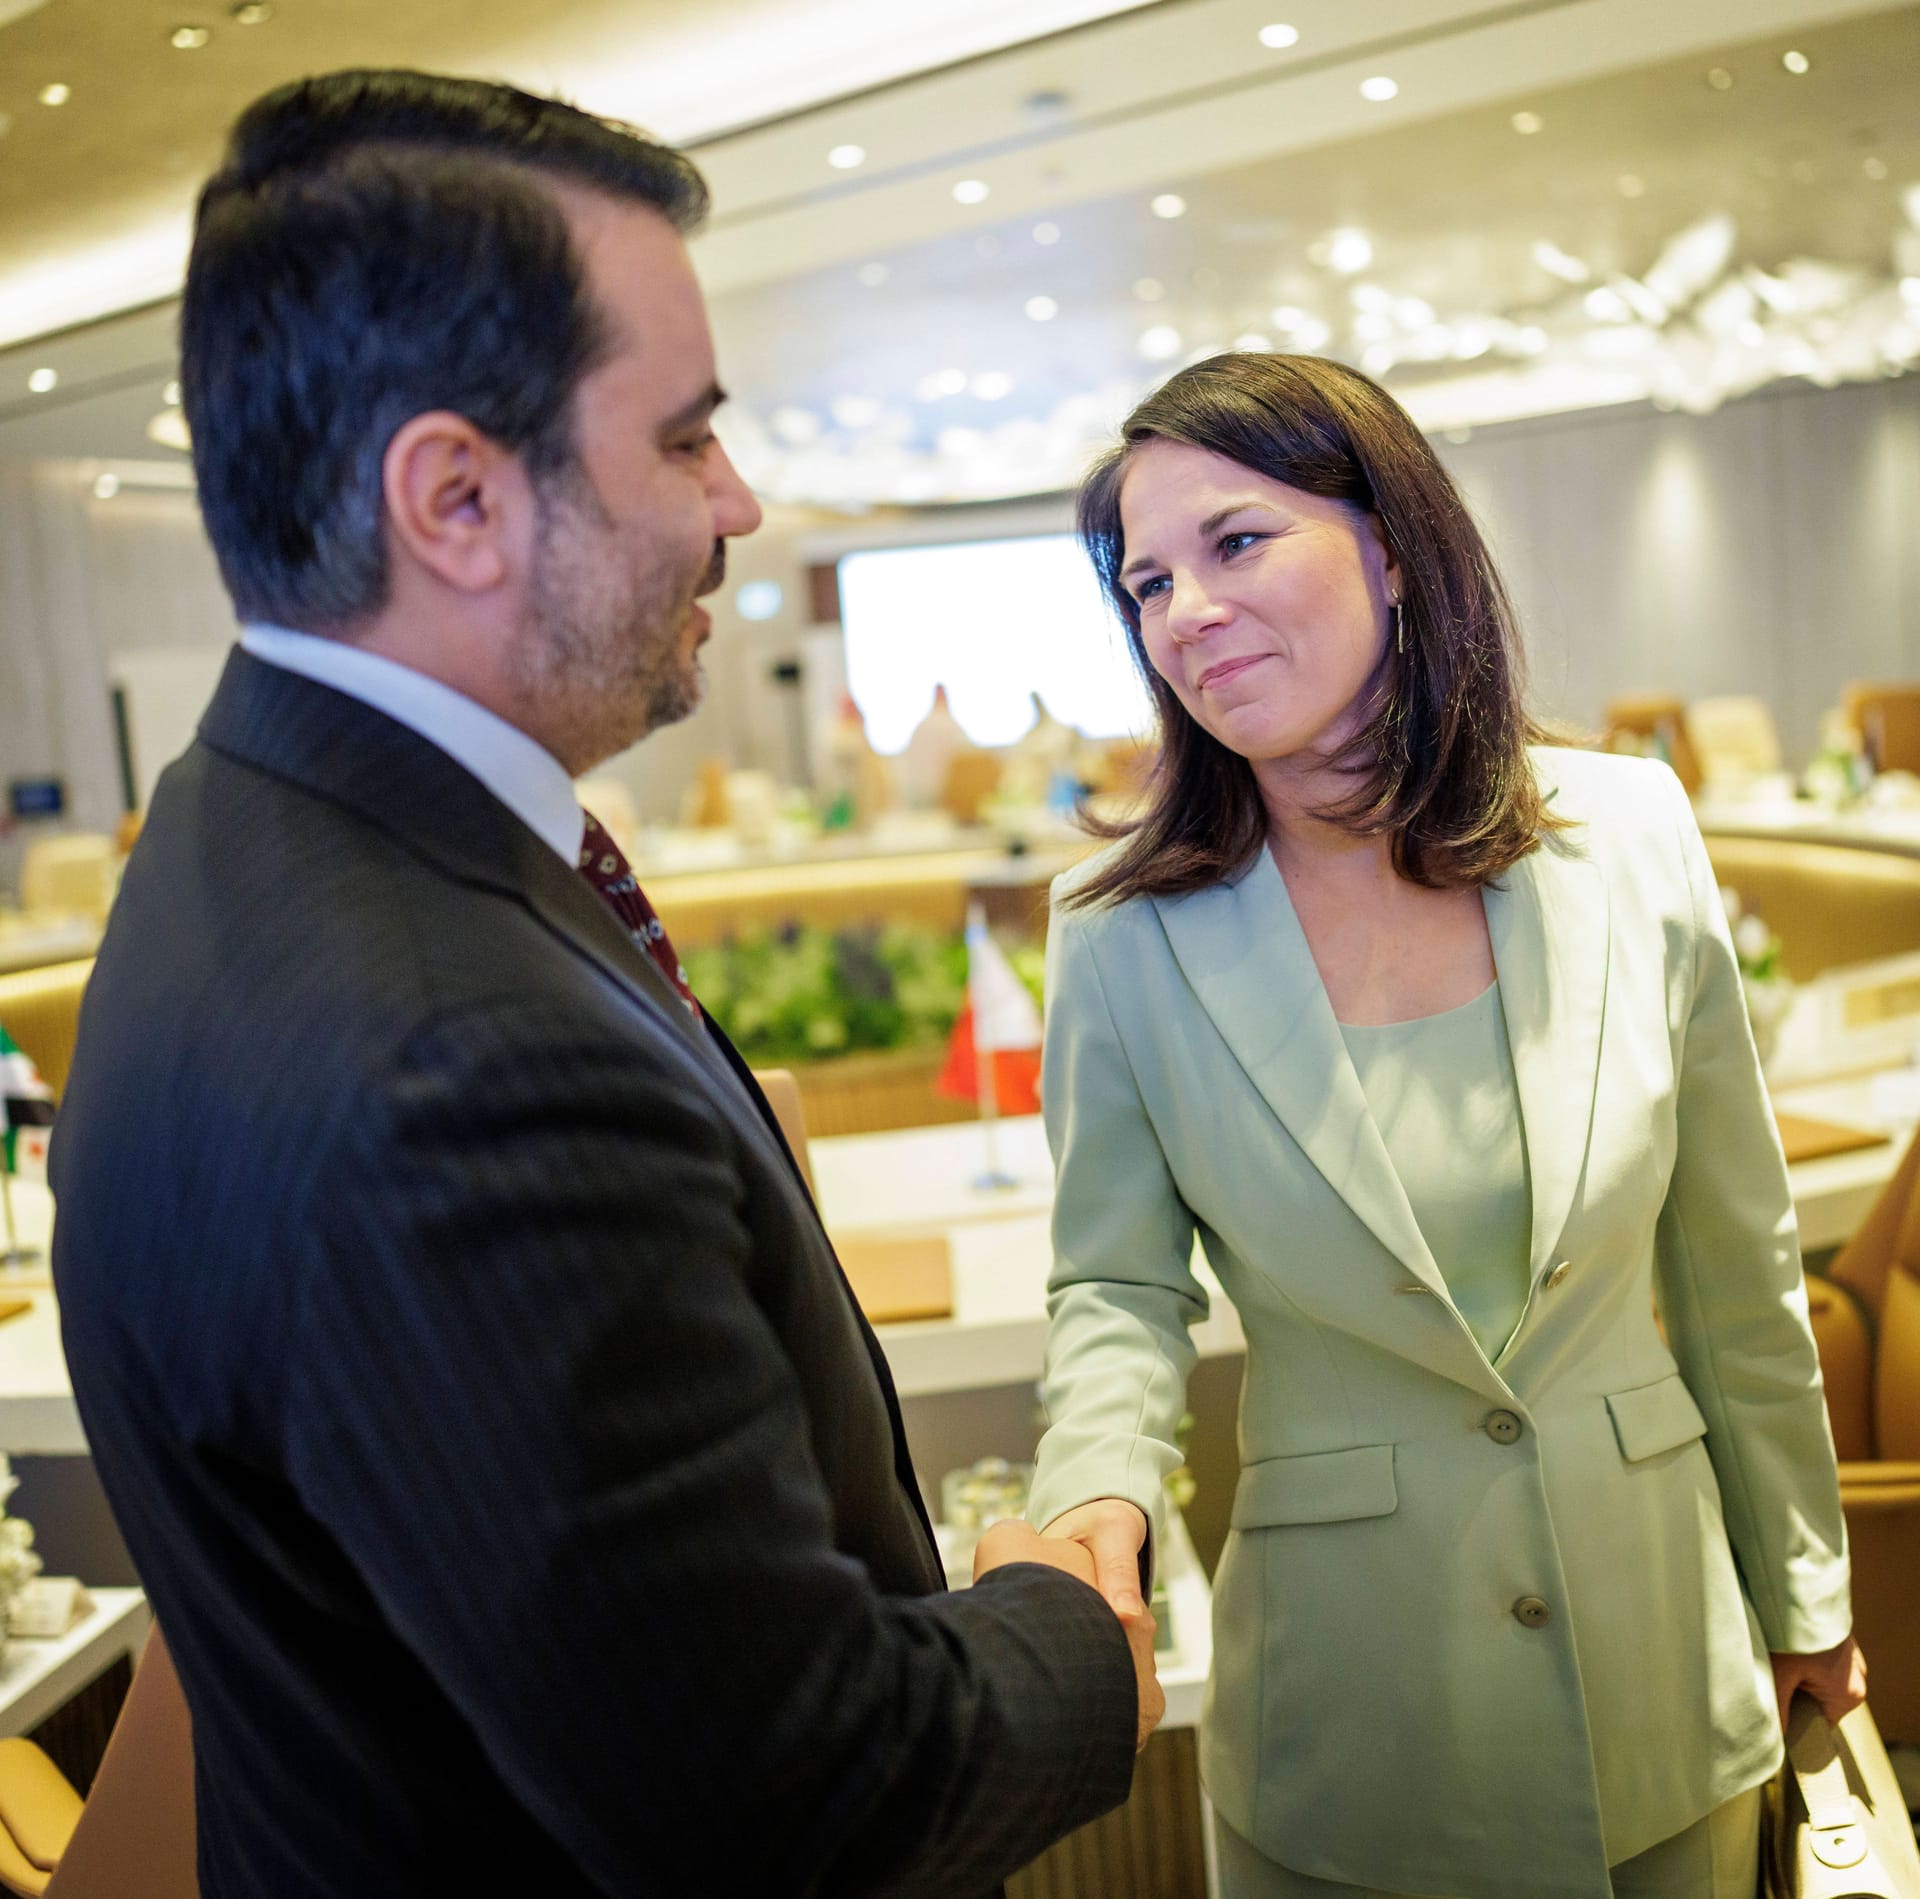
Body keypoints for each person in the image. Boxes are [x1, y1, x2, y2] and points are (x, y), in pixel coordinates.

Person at [50, 70, 1158, 1899]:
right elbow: (782, 1800)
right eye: (684, 437)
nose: (741, 498)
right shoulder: (463, 1069)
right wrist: (1063, 1632)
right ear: (460, 499)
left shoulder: (225, 830)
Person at [1022, 351, 1862, 1899]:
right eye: (1145, 583)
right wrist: (1094, 1500)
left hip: (1664, 1665)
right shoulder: (1120, 931)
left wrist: (1804, 1585)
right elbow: (1118, 1293)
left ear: (1394, 550)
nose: (1185, 611)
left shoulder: (1631, 833)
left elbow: (1738, 1261)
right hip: (1354, 1717)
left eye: (1235, 542)